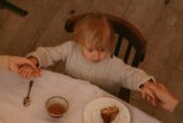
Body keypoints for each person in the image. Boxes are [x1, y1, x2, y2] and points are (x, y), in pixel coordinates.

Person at [26, 13, 163, 99]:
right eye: (90, 50)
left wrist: (145, 83)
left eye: (103, 49)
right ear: (78, 42)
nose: (96, 55)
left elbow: (131, 74)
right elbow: (48, 53)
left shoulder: (114, 65)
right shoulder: (70, 49)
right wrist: (34, 60)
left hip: (101, 103)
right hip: (71, 95)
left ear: (110, 44)